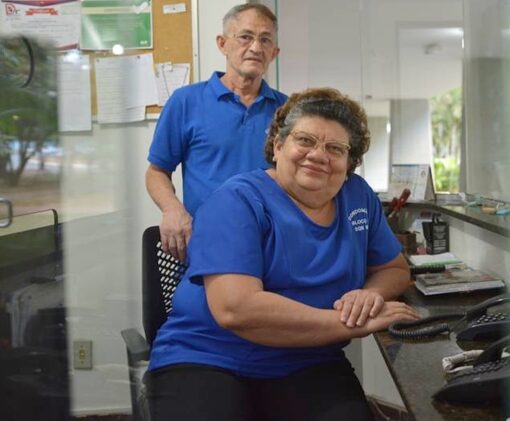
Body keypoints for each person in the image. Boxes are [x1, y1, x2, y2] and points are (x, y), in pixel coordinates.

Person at [145, 87, 420, 421]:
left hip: (307, 359)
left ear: (350, 163)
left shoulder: (358, 197)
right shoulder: (237, 201)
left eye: (335, 148)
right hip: (208, 356)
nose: (319, 155)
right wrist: (348, 324)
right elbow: (237, 309)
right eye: (304, 140)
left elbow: (394, 267)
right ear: (278, 146)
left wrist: (369, 295)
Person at [146, 3, 287, 261]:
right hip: (206, 247)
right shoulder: (186, 101)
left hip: (272, 249)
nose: (256, 48)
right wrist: (172, 210)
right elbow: (157, 172)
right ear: (222, 43)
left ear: (274, 52)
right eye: (245, 37)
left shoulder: (288, 110)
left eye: (265, 40)